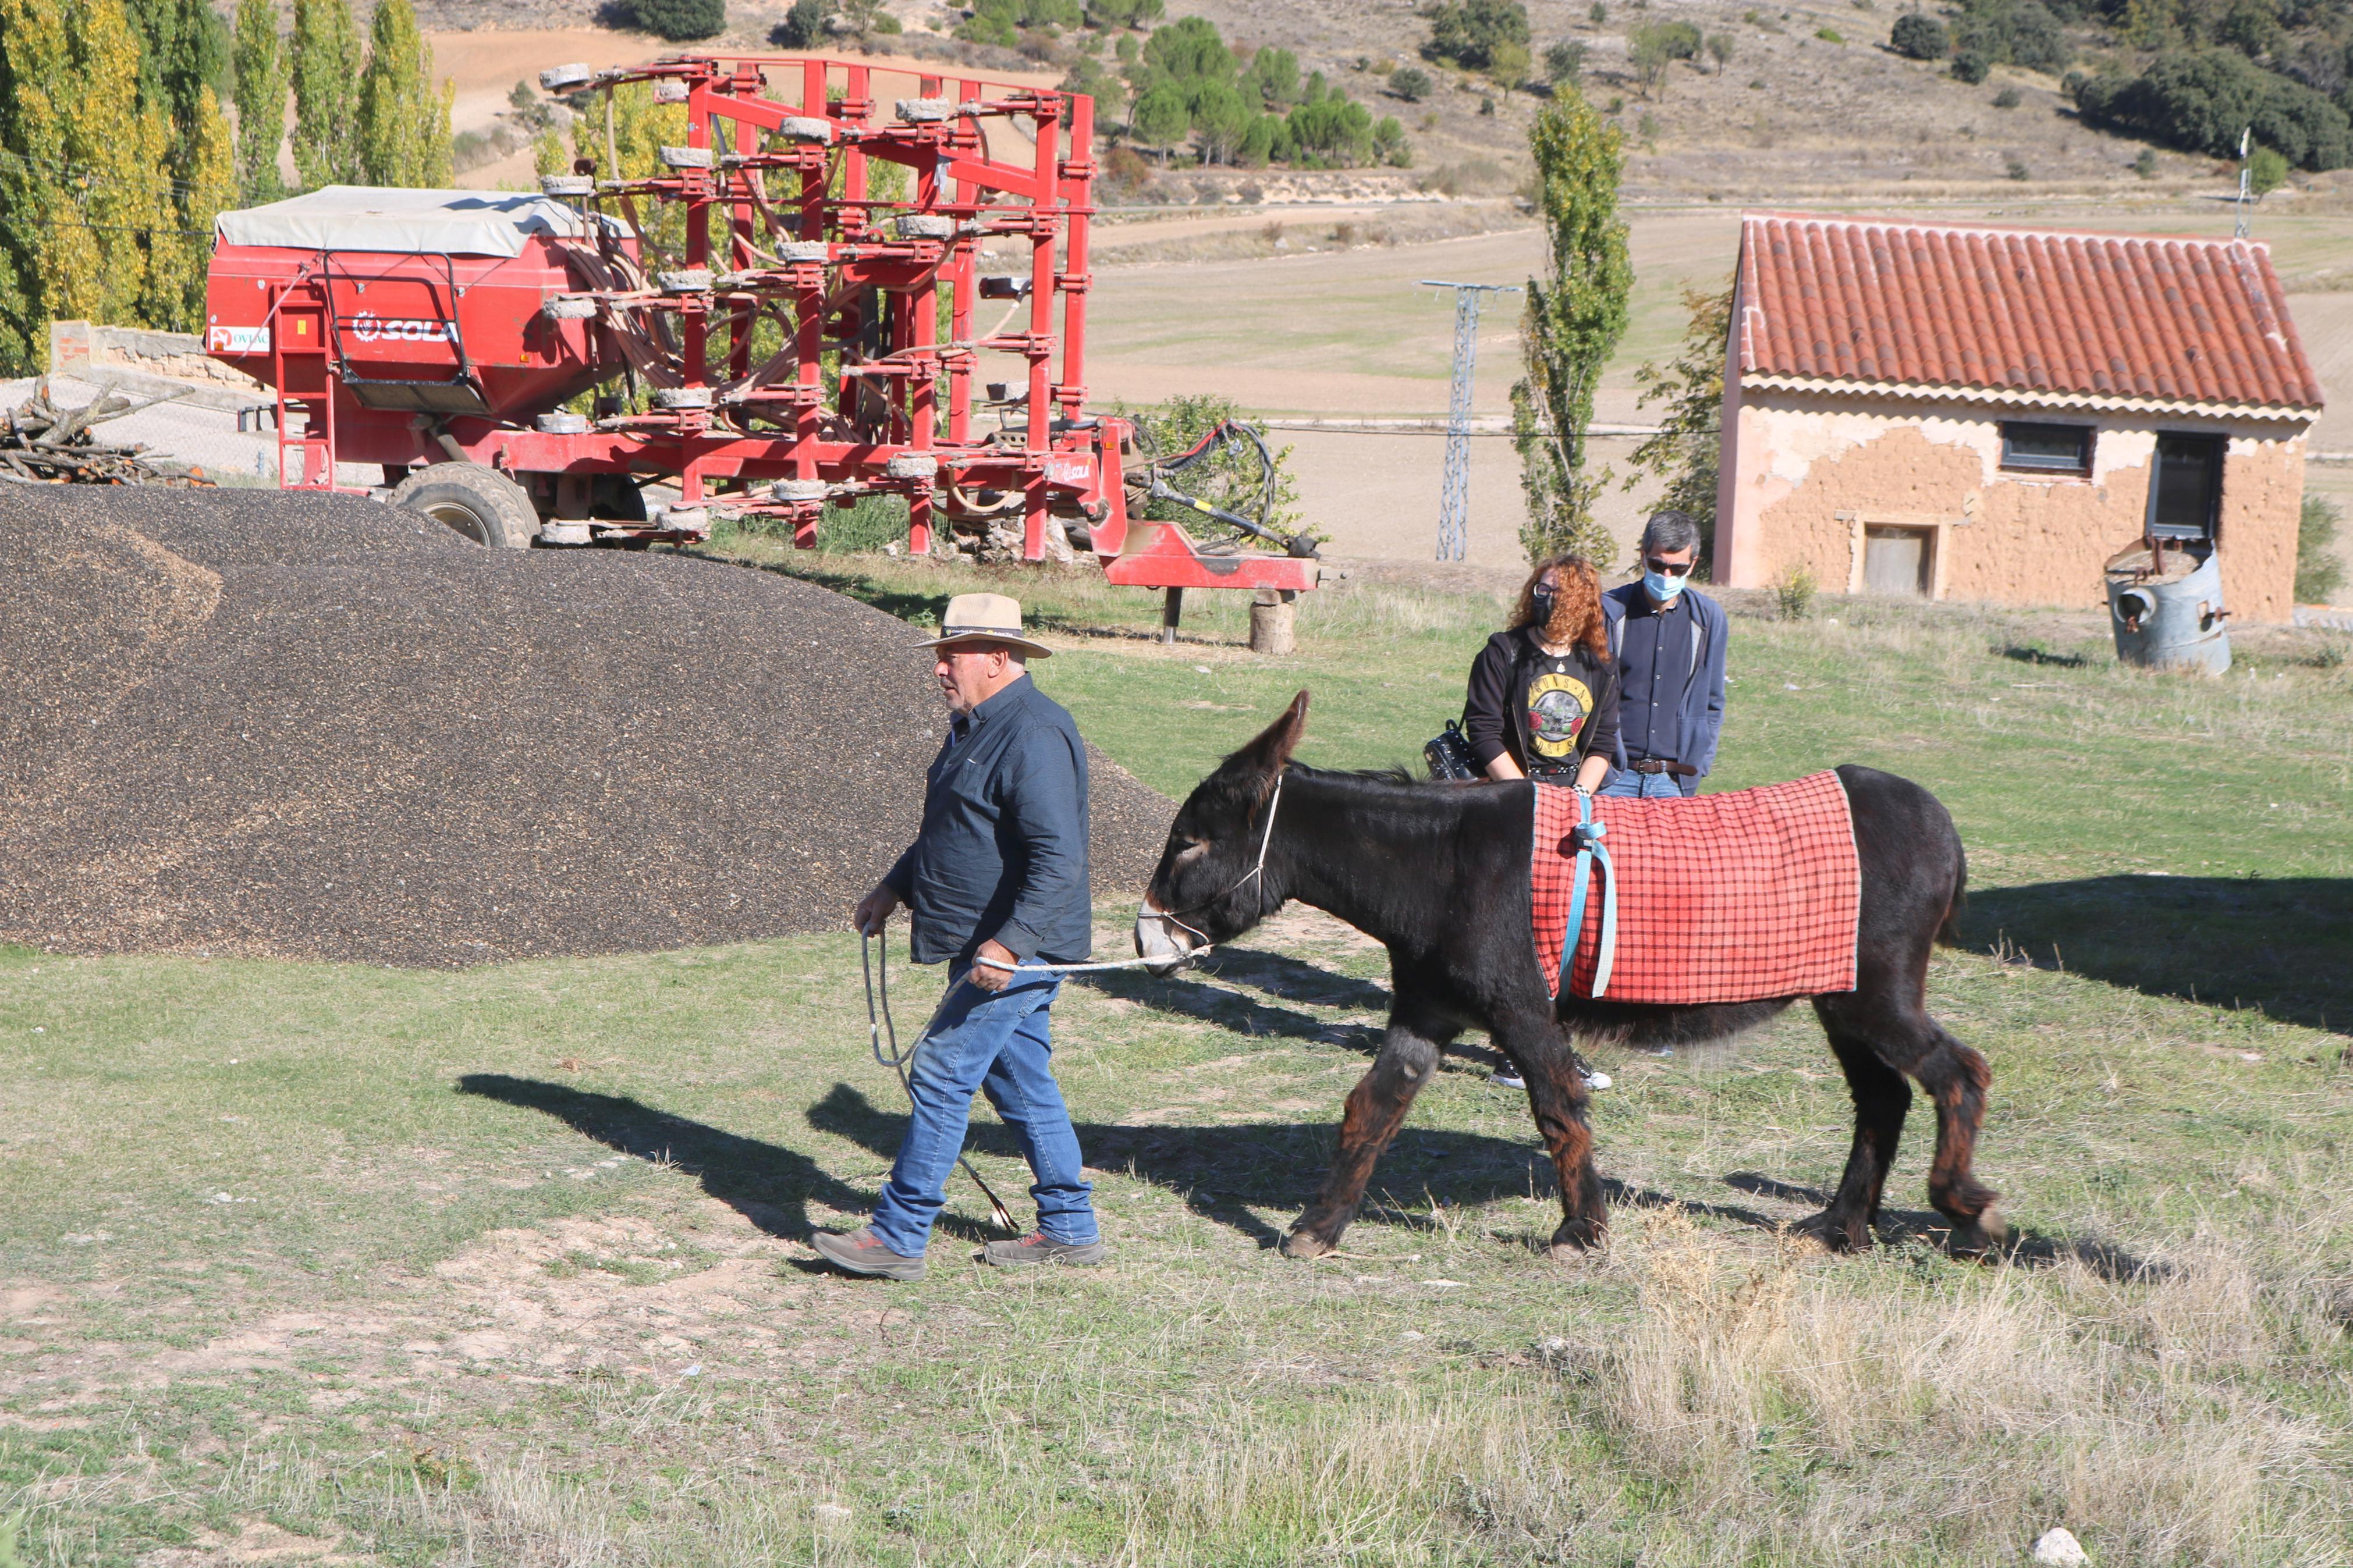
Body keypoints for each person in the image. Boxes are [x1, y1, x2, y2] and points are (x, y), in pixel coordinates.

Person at [814, 593, 1105, 1282]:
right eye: (941, 654)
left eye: (953, 654)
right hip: (988, 948)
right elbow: (954, 829)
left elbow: (1058, 858)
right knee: (1020, 1081)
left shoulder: (1033, 732)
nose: (940, 667)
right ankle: (1070, 1228)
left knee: (942, 1072)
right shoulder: (970, 726)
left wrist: (1012, 944)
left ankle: (898, 1233)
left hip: (1013, 952)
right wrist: (895, 887)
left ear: (998, 660)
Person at [1460, 554, 1619, 1093]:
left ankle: (1555, 1048)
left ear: (1581, 603)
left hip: (1572, 812)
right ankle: (1513, 1050)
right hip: (1509, 807)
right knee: (1517, 935)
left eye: (1557, 591)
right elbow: (1481, 731)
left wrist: (1577, 797)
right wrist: (1523, 794)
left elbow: (1602, 744)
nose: (1544, 597)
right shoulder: (1503, 652)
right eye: (1541, 588)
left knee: (1567, 937)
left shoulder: (1597, 664)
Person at [1598, 510, 1729, 800]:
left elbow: (1713, 701)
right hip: (1612, 778)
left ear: (1693, 565)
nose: (1667, 575)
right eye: (1658, 565)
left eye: (1678, 569)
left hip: (1675, 782)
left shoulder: (1709, 618)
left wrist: (1700, 762)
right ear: (1643, 556)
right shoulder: (1609, 611)